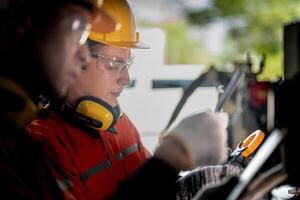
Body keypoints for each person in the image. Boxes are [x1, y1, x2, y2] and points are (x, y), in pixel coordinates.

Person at [0, 0, 115, 198]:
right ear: (22, 19)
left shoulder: (17, 134)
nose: (85, 57)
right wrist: (167, 160)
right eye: (79, 34)